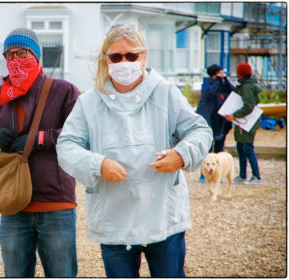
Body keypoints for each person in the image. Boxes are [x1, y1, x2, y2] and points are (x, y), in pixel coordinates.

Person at [56, 25, 212, 278]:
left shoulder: (166, 93)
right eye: (116, 57)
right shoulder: (89, 102)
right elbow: (66, 146)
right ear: (105, 60)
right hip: (114, 219)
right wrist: (97, 164)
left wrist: (181, 154)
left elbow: (200, 130)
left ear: (144, 56)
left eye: (131, 56)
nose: (124, 62)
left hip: (163, 216)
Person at [0, 27, 79, 277]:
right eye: (9, 55)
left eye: (22, 53)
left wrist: (40, 139)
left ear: (36, 56)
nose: (15, 60)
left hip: (55, 201)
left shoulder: (63, 91)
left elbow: (81, 134)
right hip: (13, 203)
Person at [224, 62, 262, 185]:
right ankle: (242, 175)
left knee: (247, 148)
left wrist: (234, 115)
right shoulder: (245, 85)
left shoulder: (247, 87)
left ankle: (256, 177)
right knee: (240, 147)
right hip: (242, 122)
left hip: (247, 122)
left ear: (241, 73)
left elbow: (248, 106)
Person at [196, 64, 235, 182]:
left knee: (219, 147)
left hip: (221, 121)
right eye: (219, 73)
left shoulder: (223, 84)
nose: (222, 75)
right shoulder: (207, 83)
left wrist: (226, 81)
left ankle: (218, 173)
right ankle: (204, 173)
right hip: (209, 119)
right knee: (207, 147)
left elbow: (234, 92)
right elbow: (208, 95)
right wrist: (217, 81)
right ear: (213, 75)